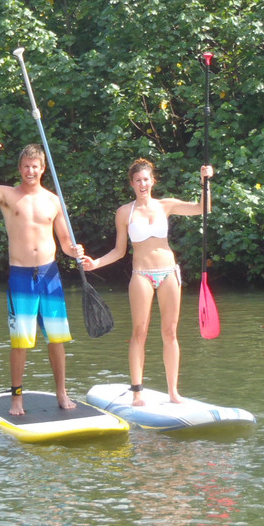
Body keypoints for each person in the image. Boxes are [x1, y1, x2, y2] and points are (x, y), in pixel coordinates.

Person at [0, 138, 86, 416]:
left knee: (56, 339)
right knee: (20, 341)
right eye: (25, 166)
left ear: (42, 168)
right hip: (21, 276)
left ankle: (62, 393)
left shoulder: (54, 201)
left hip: (50, 275)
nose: (30, 171)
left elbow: (66, 242)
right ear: (19, 168)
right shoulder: (8, 195)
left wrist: (75, 250)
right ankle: (16, 398)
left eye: (34, 166)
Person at [82, 159, 213, 406]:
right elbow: (119, 251)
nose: (143, 184)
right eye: (138, 180)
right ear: (132, 184)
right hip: (141, 274)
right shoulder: (124, 212)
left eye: (146, 179)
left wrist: (205, 182)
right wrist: (95, 263)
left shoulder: (166, 205)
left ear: (153, 181)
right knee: (139, 331)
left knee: (170, 332)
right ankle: (137, 392)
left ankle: (173, 392)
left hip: (168, 272)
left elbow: (202, 209)